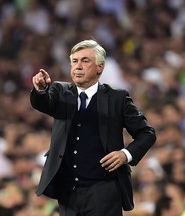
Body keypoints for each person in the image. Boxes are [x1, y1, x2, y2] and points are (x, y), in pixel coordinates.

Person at [30, 39, 156, 216]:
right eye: (74, 61)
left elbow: (147, 133)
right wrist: (41, 90)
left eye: (85, 61)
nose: (78, 66)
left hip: (104, 190)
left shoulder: (117, 99)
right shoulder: (60, 92)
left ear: (100, 67)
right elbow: (42, 103)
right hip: (68, 193)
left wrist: (125, 155)